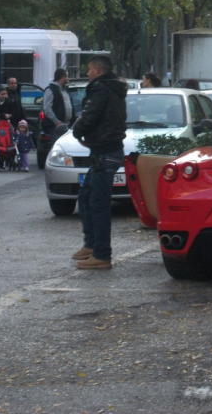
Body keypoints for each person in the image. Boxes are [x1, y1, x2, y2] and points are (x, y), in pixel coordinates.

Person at [71, 55, 127, 270]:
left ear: (97, 71)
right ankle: (92, 245)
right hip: (105, 150)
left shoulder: (101, 89)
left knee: (98, 204)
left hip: (105, 151)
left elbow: (90, 115)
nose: (87, 74)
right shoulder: (112, 89)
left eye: (89, 70)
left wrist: (78, 130)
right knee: (86, 197)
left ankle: (102, 254)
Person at [42, 68, 73, 141]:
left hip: (66, 126)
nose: (68, 78)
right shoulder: (50, 90)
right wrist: (57, 122)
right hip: (55, 127)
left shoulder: (64, 90)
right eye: (67, 76)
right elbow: (47, 108)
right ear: (62, 77)